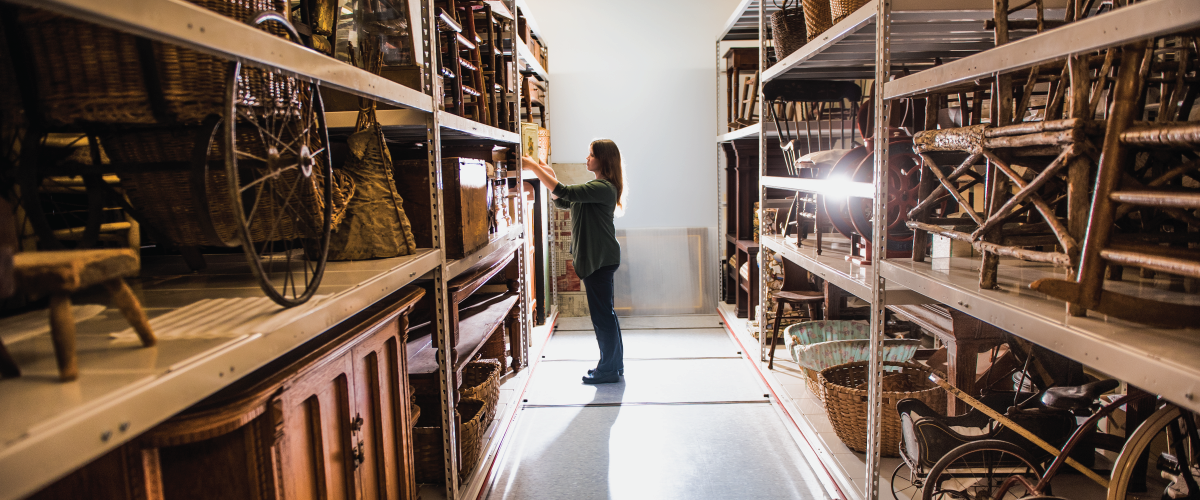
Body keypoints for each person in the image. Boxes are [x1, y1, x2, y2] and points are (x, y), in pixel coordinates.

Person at [522, 139, 626, 384]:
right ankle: (614, 365)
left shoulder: (603, 187)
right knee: (605, 315)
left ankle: (608, 369)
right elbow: (564, 200)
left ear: (603, 159)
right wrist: (546, 170)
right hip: (599, 259)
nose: (586, 158)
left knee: (603, 316)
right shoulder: (597, 187)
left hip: (600, 260)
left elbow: (565, 192)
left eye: (591, 155)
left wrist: (536, 169)